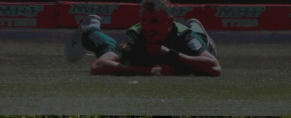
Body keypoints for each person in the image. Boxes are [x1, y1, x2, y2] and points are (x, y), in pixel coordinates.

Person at [71, 0, 221, 77]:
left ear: (169, 21)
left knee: (201, 45)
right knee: (109, 50)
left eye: (155, 21)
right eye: (144, 21)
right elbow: (97, 66)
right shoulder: (135, 35)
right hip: (144, 61)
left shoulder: (184, 36)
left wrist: (170, 53)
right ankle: (90, 29)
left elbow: (215, 67)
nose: (148, 28)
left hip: (191, 39)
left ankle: (196, 25)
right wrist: (147, 71)